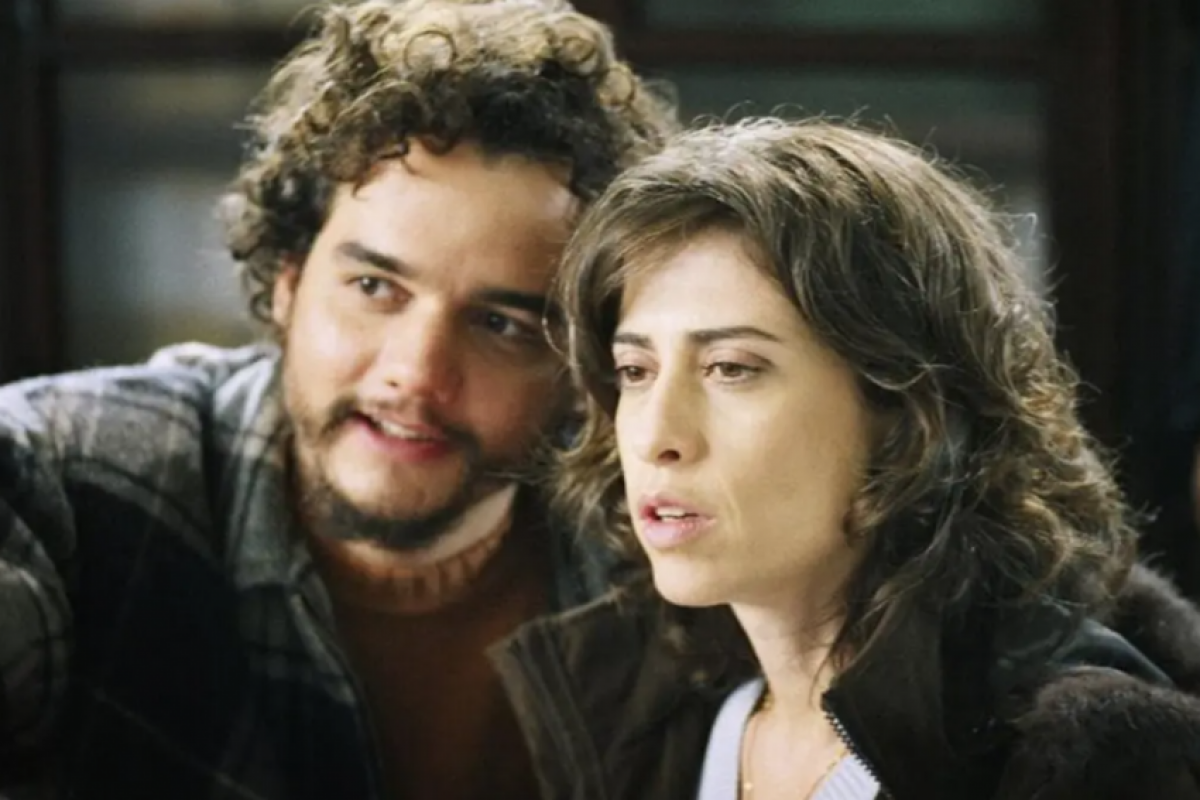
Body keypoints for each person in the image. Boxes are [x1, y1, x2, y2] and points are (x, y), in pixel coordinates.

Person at [0, 2, 677, 798]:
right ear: (289, 282)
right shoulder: (62, 476)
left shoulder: (659, 556)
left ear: (581, 363)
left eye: (501, 324)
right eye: (374, 287)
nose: (416, 374)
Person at [512, 118, 1200, 800]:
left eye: (731, 368)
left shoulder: (1080, 761)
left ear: (905, 412)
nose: (656, 435)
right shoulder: (636, 721)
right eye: (635, 371)